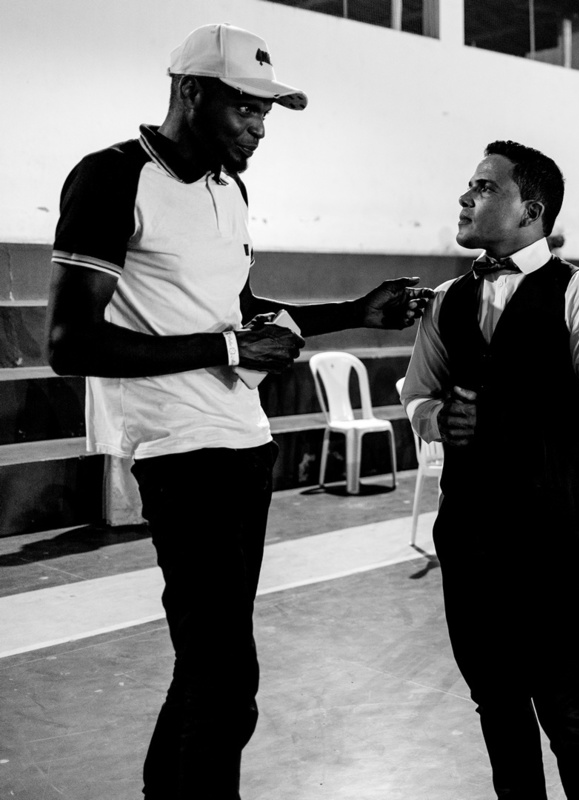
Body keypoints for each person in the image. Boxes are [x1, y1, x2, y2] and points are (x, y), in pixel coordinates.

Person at [43, 24, 433, 799]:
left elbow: (242, 313)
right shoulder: (112, 178)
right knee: (226, 686)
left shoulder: (230, 188)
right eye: (246, 109)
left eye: (266, 113)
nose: (259, 128)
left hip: (244, 447)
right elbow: (70, 342)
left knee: (207, 670)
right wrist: (227, 349)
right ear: (191, 92)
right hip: (182, 455)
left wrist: (356, 311)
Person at [400, 140, 579, 799]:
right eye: (470, 185)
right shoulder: (448, 299)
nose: (465, 197)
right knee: (495, 700)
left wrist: (504, 420)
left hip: (548, 532)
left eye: (484, 187)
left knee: (565, 703)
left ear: (531, 210)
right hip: (468, 528)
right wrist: (436, 419)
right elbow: (416, 393)